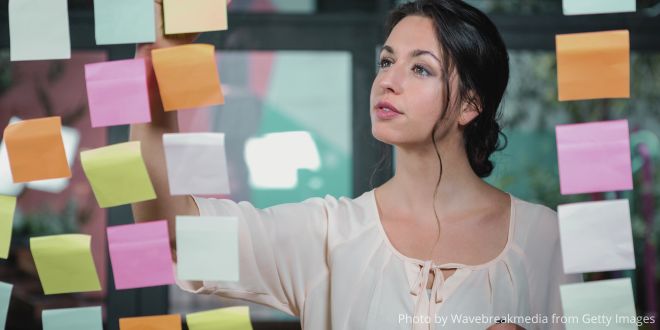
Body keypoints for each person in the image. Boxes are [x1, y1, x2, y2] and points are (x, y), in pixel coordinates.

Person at [130, 0, 582, 329]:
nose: (388, 79)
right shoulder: (326, 235)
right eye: (386, 61)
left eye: (419, 69)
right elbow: (175, 232)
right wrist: (163, 56)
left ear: (469, 104)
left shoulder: (546, 240)